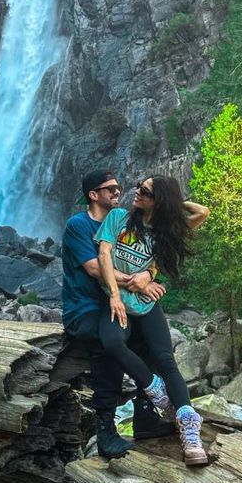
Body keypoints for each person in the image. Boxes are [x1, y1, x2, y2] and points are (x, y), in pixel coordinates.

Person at [95, 175, 211, 465]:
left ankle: (190, 432)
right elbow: (104, 254)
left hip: (146, 306)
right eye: (139, 186)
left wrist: (150, 273)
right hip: (119, 302)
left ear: (159, 201)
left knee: (166, 359)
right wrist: (114, 294)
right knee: (111, 341)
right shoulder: (119, 218)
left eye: (145, 192)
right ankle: (154, 388)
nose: (137, 192)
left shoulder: (164, 231)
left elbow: (202, 213)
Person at [61, 170, 175, 459]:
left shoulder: (122, 220)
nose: (117, 192)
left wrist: (148, 275)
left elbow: (151, 251)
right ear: (93, 195)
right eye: (110, 188)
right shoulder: (78, 225)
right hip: (84, 307)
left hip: (115, 302)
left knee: (146, 341)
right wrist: (138, 282)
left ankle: (146, 416)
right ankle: (106, 431)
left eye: (117, 187)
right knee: (105, 345)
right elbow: (94, 268)